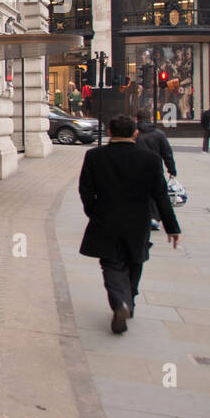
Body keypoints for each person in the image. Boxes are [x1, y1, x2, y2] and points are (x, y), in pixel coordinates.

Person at [78, 114, 181, 334]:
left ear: (110, 132)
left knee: (112, 264)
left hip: (106, 218)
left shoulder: (94, 156)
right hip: (138, 221)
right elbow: (161, 196)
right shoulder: (150, 160)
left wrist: (93, 212)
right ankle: (129, 300)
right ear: (135, 133)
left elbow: (85, 190)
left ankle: (120, 301)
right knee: (135, 260)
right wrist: (172, 227)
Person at [134, 110, 176, 230]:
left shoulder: (133, 133)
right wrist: (172, 170)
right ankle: (153, 217)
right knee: (155, 194)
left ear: (137, 118)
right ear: (151, 118)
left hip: (135, 169)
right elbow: (167, 153)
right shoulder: (159, 134)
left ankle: (139, 216)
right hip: (155, 169)